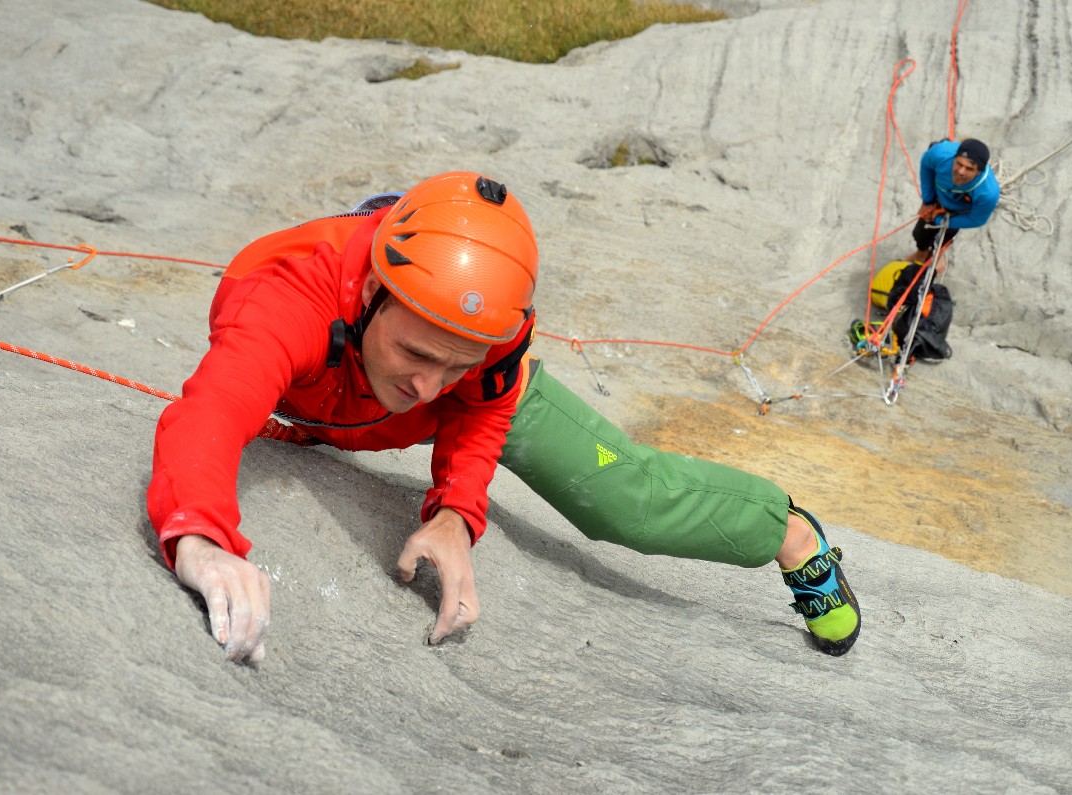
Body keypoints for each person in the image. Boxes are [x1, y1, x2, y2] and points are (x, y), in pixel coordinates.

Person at [148, 171, 861, 664]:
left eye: (458, 363)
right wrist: (203, 541)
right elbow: (211, 411)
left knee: (627, 500)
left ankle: (787, 531)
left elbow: (481, 408)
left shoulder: (481, 355)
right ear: (370, 290)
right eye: (419, 351)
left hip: (392, 400)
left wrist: (456, 514)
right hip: (331, 400)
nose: (431, 386)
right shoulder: (287, 301)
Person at [907, 138, 1001, 273]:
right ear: (954, 157)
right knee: (919, 234)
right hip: (937, 200)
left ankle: (937, 255)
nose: (961, 171)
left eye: (969, 168)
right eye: (959, 163)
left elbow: (976, 219)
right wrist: (927, 202)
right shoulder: (940, 153)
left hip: (958, 212)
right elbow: (926, 164)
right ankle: (921, 254)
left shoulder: (988, 193)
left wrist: (939, 220)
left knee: (944, 238)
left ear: (979, 172)